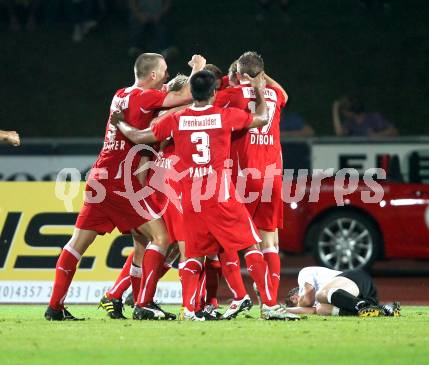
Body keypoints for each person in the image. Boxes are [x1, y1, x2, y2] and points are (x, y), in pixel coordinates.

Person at [111, 70, 299, 321]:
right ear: (213, 93)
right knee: (251, 246)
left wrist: (120, 122)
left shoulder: (177, 118)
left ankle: (189, 309)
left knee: (191, 254)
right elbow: (262, 118)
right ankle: (269, 305)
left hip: (190, 199)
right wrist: (256, 92)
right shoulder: (224, 116)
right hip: (220, 195)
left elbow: (139, 136)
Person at [44, 52, 206, 321]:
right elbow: (186, 96)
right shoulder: (145, 97)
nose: (166, 76)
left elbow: (166, 98)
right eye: (164, 71)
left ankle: (55, 307)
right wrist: (198, 70)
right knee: (162, 238)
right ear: (152, 75)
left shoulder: (121, 94)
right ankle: (143, 303)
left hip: (100, 176)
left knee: (77, 245)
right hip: (122, 183)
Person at [213, 51, 288, 308]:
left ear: (239, 75)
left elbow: (204, 99)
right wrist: (261, 77)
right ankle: (270, 300)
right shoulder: (275, 96)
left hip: (242, 176)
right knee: (270, 241)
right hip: (271, 177)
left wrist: (227, 79)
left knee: (229, 238)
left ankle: (239, 297)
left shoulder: (232, 96)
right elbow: (285, 93)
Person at [285, 266, 401, 317]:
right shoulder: (319, 304)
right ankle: (382, 309)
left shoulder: (304, 273)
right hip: (358, 296)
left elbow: (306, 300)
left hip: (355, 279)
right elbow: (312, 310)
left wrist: (283, 309)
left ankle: (365, 306)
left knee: (320, 295)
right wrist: (283, 310)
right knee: (321, 309)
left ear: (294, 297)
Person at [332, 95, 398, 137]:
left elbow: (394, 131)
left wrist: (377, 135)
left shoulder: (374, 118)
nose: (343, 113)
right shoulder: (349, 123)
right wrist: (335, 110)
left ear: (350, 111)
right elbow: (340, 133)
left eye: (344, 111)